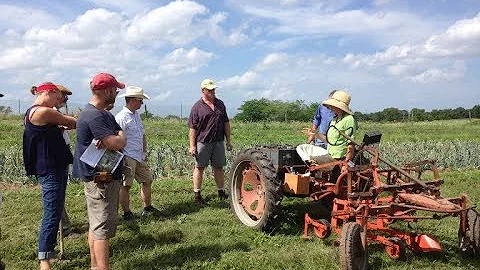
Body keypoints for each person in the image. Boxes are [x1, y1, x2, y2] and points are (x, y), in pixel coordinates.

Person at [72, 73, 126, 270]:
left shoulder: (100, 113)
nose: (117, 93)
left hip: (100, 178)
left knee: (95, 225)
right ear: (106, 91)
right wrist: (120, 138)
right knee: (102, 227)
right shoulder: (95, 116)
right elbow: (115, 142)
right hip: (101, 180)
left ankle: (95, 266)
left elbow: (116, 134)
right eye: (114, 90)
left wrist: (118, 136)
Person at [22, 82, 76, 270]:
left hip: (54, 165)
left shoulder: (35, 112)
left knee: (56, 208)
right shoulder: (43, 111)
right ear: (49, 92)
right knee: (52, 213)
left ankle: (47, 255)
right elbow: (73, 122)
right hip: (50, 168)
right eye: (58, 97)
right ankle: (44, 260)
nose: (59, 101)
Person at [115, 86, 159, 221]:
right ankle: (127, 213)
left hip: (139, 155)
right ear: (133, 100)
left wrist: (144, 152)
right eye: (140, 101)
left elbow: (142, 135)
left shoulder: (136, 116)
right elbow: (117, 139)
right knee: (126, 185)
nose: (142, 104)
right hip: (127, 156)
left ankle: (147, 207)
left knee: (147, 180)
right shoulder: (121, 118)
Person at [188, 78, 232, 205]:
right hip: (203, 142)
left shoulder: (220, 104)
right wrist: (192, 146)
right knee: (199, 167)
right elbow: (192, 128)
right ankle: (197, 195)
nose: (213, 91)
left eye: (213, 89)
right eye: (210, 89)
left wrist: (228, 140)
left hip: (218, 141)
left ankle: (221, 192)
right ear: (203, 91)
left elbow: (226, 123)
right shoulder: (197, 107)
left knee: (218, 167)